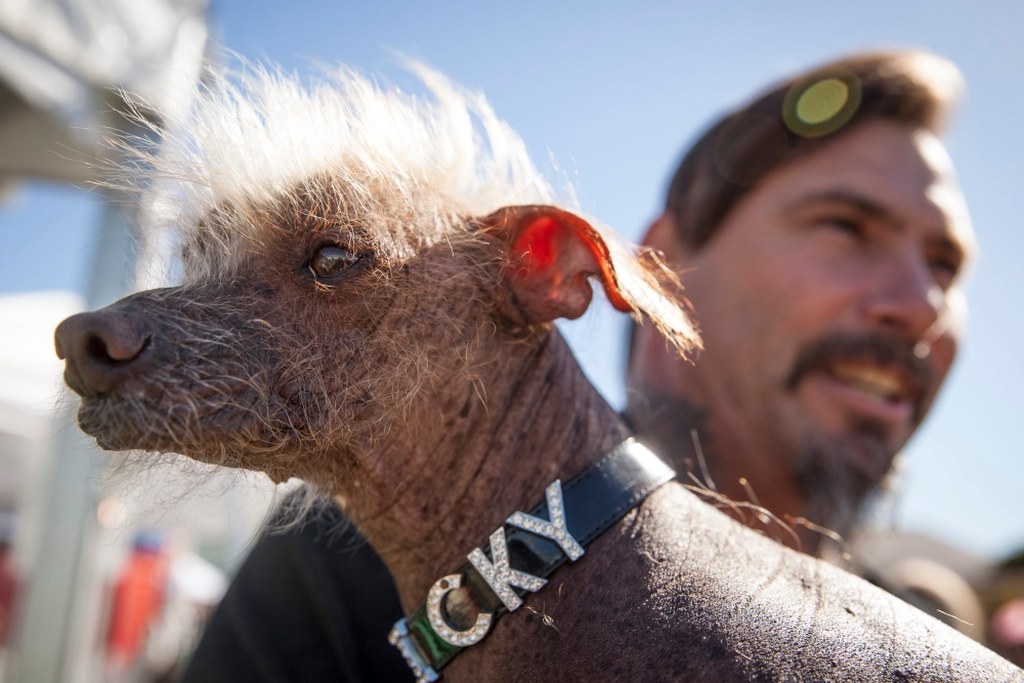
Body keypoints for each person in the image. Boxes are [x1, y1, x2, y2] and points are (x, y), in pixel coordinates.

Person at [178, 48, 976, 682]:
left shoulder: (923, 636)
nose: (921, 304)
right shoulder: (361, 561)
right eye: (846, 226)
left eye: (945, 264)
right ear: (662, 263)